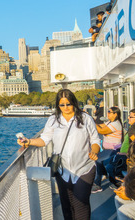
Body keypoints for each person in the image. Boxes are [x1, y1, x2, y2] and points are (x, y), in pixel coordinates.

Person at [17, 89, 100, 220]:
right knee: (67, 205)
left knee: (81, 203)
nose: (66, 107)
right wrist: (28, 141)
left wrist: (94, 152)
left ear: (74, 103)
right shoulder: (53, 120)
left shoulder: (85, 118)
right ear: (58, 105)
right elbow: (44, 140)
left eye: (69, 104)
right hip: (63, 169)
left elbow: (95, 140)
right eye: (62, 105)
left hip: (85, 168)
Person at [92, 106, 123, 192]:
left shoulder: (115, 124)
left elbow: (102, 131)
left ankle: (97, 184)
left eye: (109, 112)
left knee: (97, 160)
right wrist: (93, 121)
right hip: (107, 149)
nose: (107, 113)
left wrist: (91, 122)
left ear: (115, 114)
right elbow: (101, 126)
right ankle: (104, 175)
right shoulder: (110, 122)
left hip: (113, 150)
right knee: (98, 161)